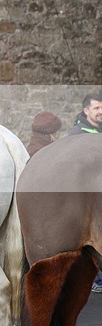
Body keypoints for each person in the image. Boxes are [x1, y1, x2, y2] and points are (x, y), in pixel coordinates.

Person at [64, 94, 102, 292]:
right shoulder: (78, 134)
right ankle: (95, 279)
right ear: (86, 110)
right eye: (96, 108)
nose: (101, 111)